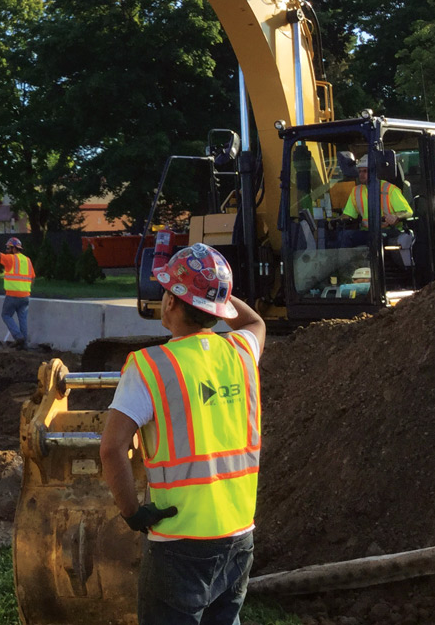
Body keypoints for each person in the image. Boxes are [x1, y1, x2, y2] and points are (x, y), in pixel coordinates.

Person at [99, 243, 266, 625]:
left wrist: (132, 513)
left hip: (179, 542)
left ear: (173, 301)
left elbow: (111, 449)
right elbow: (255, 322)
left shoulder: (149, 366)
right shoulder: (240, 351)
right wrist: (216, 293)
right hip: (238, 534)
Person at [0, 236, 33, 348]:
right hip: (25, 296)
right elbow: (32, 277)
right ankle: (24, 344)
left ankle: (18, 337)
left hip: (12, 295)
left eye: (8, 248)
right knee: (23, 319)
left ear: (14, 248)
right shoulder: (27, 260)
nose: (7, 251)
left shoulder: (11, 259)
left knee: (6, 315)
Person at [341, 154, 413, 228]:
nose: (361, 174)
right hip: (366, 233)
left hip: (391, 233)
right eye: (359, 171)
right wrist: (335, 221)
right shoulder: (356, 191)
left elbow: (407, 212)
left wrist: (395, 216)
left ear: (374, 172)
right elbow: (348, 215)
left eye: (365, 171)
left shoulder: (389, 189)